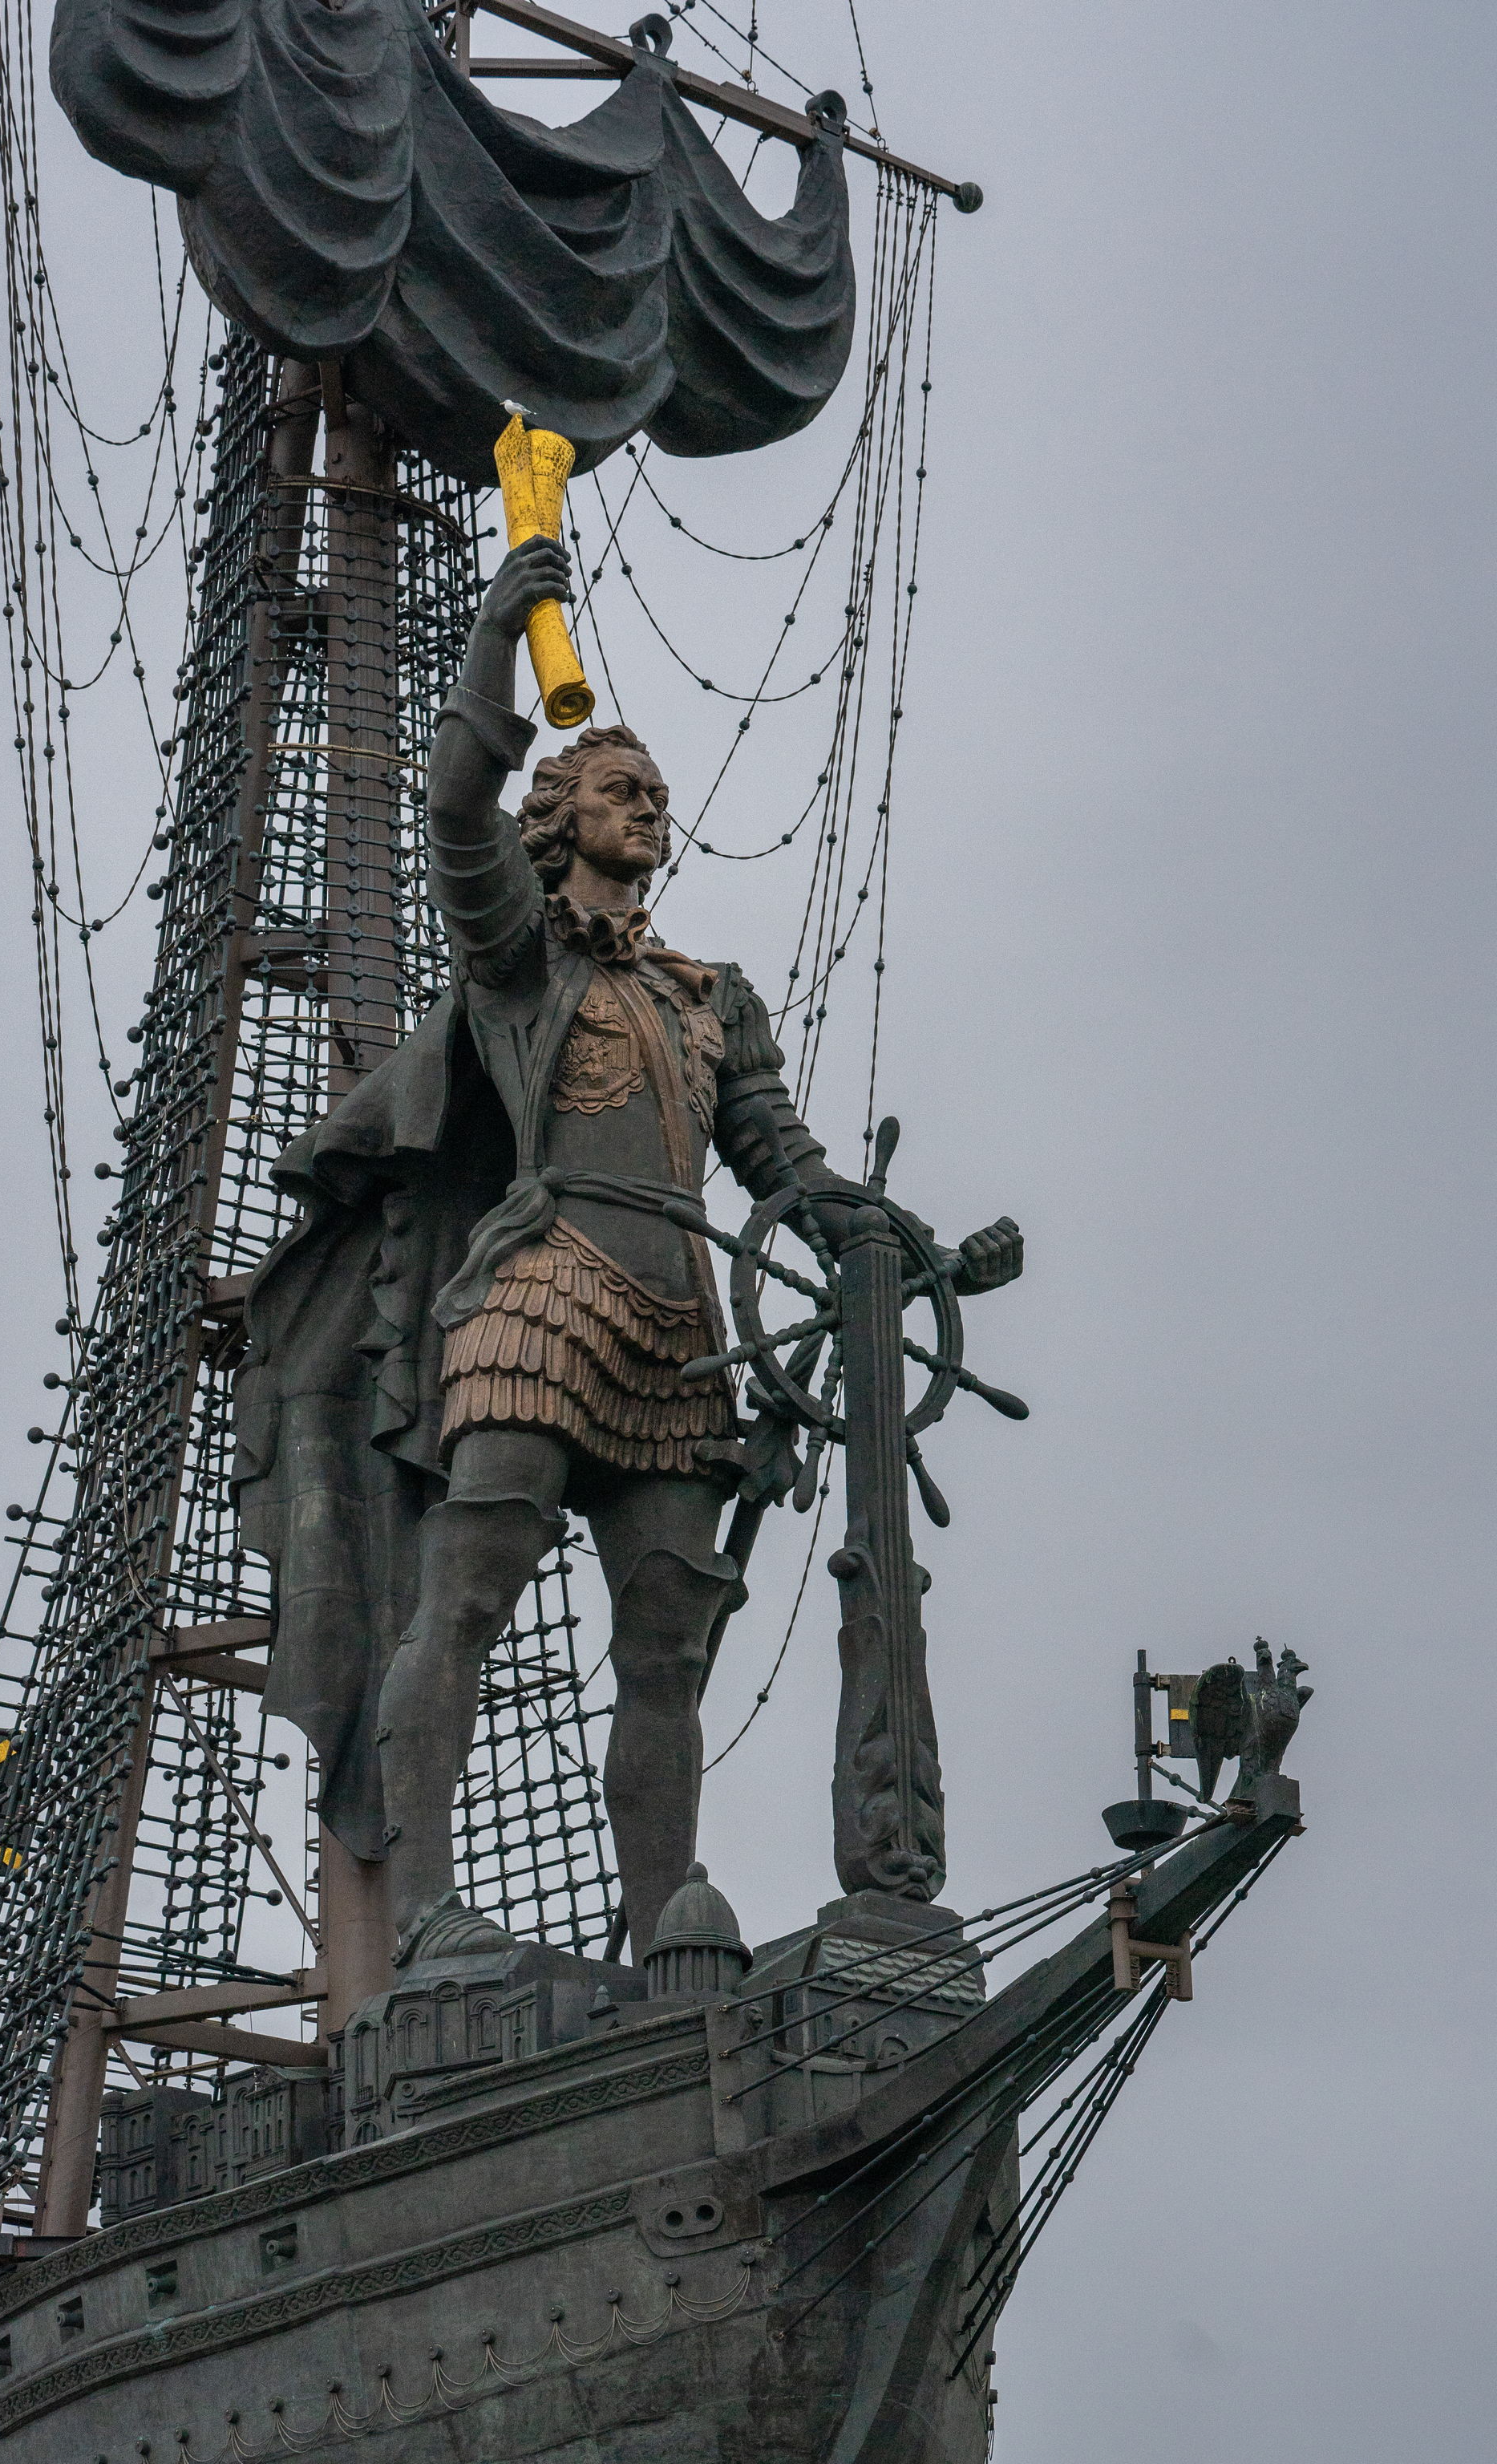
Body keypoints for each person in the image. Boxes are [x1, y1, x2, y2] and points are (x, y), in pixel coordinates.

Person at [235, 537, 1022, 1964]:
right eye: (620, 789)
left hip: (683, 1336)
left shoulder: (715, 1001)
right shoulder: (522, 960)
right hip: (540, 1302)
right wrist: (498, 640)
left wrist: (911, 1252)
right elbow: (451, 801)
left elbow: (794, 1175)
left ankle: (664, 1933)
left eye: (657, 794)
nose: (649, 806)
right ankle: (422, 1918)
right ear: (564, 818)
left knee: (667, 1648)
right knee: (466, 1588)